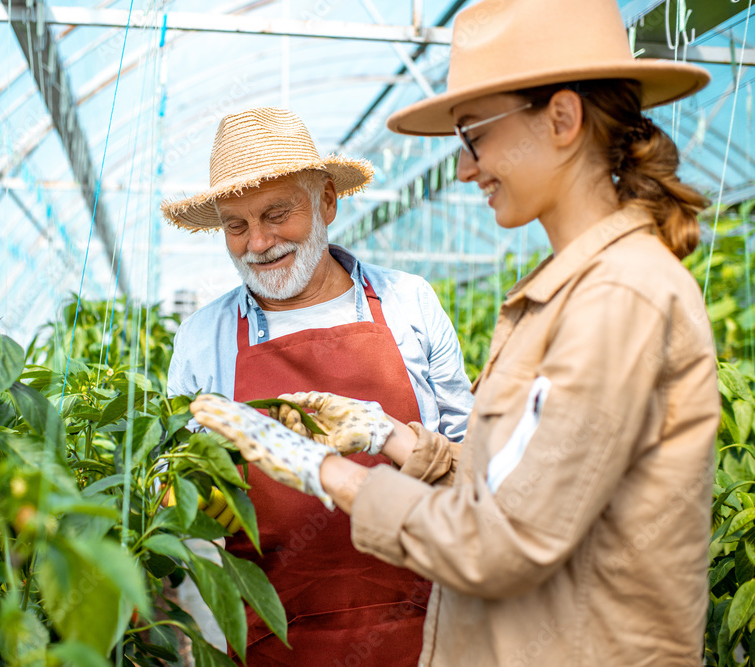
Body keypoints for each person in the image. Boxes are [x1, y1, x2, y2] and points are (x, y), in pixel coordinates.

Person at [189, 0, 721, 664]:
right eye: (236, 226)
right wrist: (398, 438)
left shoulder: (618, 298)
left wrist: (321, 469)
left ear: (562, 119)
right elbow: (514, 481)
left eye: (473, 136)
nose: (465, 168)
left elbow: (503, 540)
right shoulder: (563, 294)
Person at [161, 107, 474, 664]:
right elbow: (176, 492)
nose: (258, 242)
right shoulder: (202, 339)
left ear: (327, 200)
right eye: (236, 225)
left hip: (424, 633)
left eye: (277, 214)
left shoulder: (409, 305)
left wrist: (389, 436)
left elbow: (473, 463)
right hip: (273, 638)